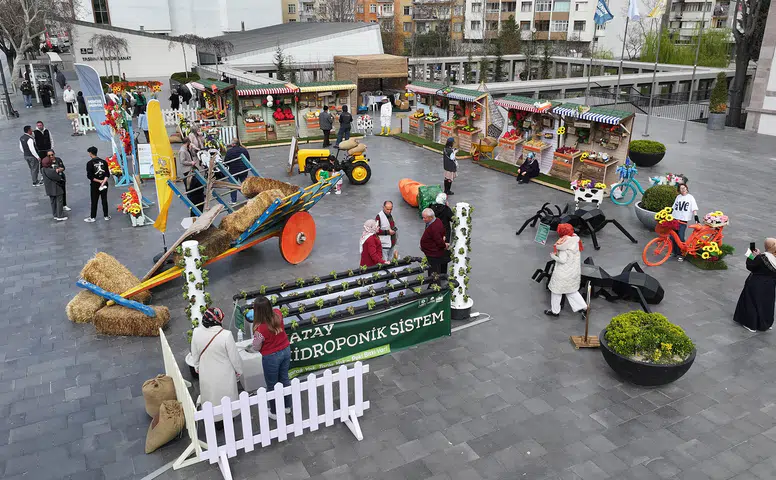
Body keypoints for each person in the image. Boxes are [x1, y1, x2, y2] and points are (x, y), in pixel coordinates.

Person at [191, 307, 243, 422]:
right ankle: (228, 418)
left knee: (211, 397)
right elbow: (234, 357)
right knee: (226, 398)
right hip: (224, 373)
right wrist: (239, 371)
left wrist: (197, 366)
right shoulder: (226, 335)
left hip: (206, 372)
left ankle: (215, 421)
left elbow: (194, 353)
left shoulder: (196, 332)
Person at [252, 296, 291, 420]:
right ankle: (287, 406)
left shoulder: (260, 329)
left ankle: (274, 411)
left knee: (272, 384)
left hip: (271, 357)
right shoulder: (278, 314)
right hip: (285, 350)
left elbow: (256, 347)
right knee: (284, 379)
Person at [545, 223, 587, 318]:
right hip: (573, 272)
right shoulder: (575, 241)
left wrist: (553, 256)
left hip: (562, 273)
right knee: (571, 291)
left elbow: (562, 260)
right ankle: (584, 307)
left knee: (556, 292)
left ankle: (555, 311)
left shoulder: (563, 246)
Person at [733, 239, 776, 332]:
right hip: (770, 286)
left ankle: (751, 324)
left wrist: (750, 254)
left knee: (751, 303)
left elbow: (750, 266)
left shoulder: (761, 258)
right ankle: (766, 324)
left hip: (756, 284)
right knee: (767, 304)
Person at [671, 183, 699, 262]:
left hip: (682, 221)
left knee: (680, 237)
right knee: (673, 236)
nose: (683, 190)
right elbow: (674, 207)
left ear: (686, 188)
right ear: (679, 190)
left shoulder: (690, 197)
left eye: (684, 188)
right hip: (675, 219)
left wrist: (696, 218)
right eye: (681, 188)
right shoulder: (678, 197)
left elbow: (694, 208)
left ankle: (681, 254)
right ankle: (674, 252)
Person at [420, 208, 449, 278]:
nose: (423, 219)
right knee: (434, 269)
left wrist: (444, 245)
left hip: (433, 254)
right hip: (431, 252)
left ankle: (434, 284)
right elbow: (443, 231)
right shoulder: (437, 221)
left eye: (424, 218)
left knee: (433, 271)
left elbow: (439, 241)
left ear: (431, 217)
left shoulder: (434, 227)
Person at [85, 146, 111, 222]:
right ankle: (106, 216)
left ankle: (93, 217)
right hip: (105, 183)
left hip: (95, 185)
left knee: (94, 200)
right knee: (104, 199)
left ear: (90, 153)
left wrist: (99, 181)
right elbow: (107, 174)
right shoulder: (104, 162)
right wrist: (103, 182)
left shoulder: (89, 163)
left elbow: (90, 176)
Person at [180, 138, 204, 216]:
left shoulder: (187, 149)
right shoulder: (182, 151)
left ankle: (194, 192)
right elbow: (182, 161)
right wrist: (191, 163)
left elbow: (193, 155)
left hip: (191, 169)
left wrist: (193, 149)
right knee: (190, 183)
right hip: (187, 170)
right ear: (187, 143)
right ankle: (191, 193)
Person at [224, 139, 251, 203]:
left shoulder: (229, 151)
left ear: (233, 144)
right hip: (243, 170)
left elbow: (226, 162)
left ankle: (233, 200)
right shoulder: (244, 150)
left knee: (233, 185)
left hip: (233, 170)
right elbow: (248, 159)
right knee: (244, 184)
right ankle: (249, 197)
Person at [41, 155, 67, 221]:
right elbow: (58, 178)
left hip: (48, 188)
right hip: (56, 188)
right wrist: (57, 172)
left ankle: (55, 214)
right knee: (59, 201)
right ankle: (60, 216)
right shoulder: (51, 171)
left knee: (53, 201)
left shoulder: (43, 169)